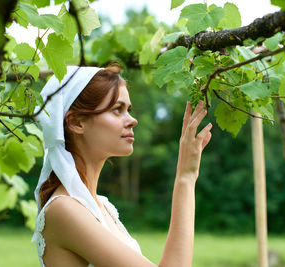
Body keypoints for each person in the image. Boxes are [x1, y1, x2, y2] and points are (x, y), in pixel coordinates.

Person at [32, 64, 212, 267]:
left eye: (128, 110)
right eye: (117, 109)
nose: (133, 120)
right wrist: (185, 178)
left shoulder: (102, 206)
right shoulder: (64, 209)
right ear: (76, 123)